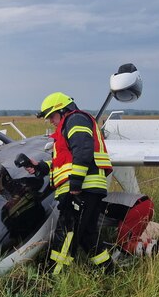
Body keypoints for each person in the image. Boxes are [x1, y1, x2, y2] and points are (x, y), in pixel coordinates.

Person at [25, 92, 114, 273]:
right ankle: (109, 271)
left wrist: (75, 186)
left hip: (82, 189)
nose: (50, 121)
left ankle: (52, 276)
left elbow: (83, 151)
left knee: (66, 232)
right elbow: (67, 161)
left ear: (63, 110)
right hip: (88, 188)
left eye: (52, 116)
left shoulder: (75, 119)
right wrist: (41, 166)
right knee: (87, 235)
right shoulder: (71, 124)